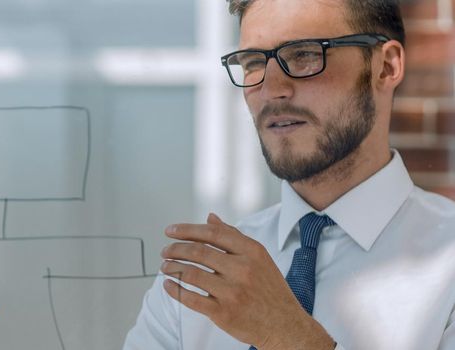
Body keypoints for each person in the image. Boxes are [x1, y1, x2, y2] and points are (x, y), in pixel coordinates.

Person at [124, 0, 455, 349]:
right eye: (253, 63)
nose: (271, 89)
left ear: (385, 67)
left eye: (305, 55)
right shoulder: (197, 282)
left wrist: (285, 335)